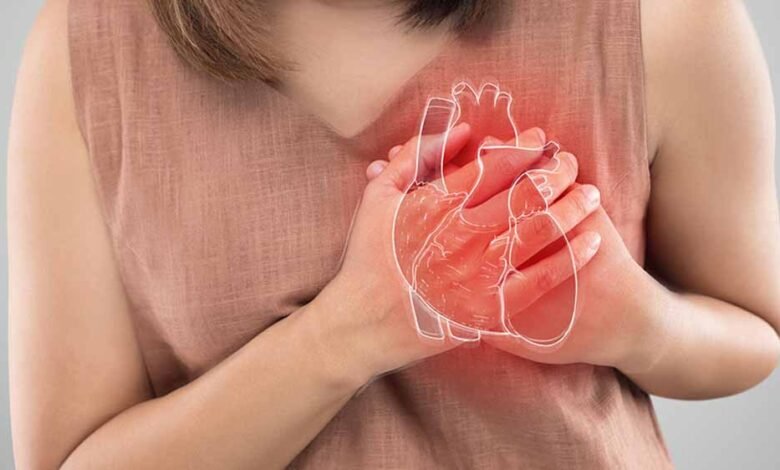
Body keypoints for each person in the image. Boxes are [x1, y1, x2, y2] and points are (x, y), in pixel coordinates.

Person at [7, 0, 779, 468]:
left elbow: (759, 332)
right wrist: (347, 333)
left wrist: (636, 324)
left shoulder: (665, 17)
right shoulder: (86, 48)